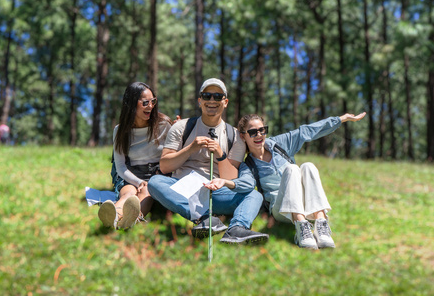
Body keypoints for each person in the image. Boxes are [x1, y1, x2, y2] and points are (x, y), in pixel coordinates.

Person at [148, 78, 269, 245]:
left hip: (216, 192)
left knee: (254, 195)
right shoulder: (181, 127)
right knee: (155, 182)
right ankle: (205, 219)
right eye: (207, 96)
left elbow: (232, 178)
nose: (212, 100)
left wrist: (220, 154)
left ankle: (236, 229)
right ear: (200, 101)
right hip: (184, 189)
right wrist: (190, 148)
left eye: (218, 97)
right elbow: (165, 166)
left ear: (225, 102)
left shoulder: (234, 136)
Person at [234, 112, 366, 249]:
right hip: (281, 210)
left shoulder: (279, 145)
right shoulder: (248, 165)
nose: (259, 135)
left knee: (308, 166)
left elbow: (308, 131)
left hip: (303, 202)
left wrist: (340, 119)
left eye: (262, 130)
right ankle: (301, 228)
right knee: (292, 169)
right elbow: (245, 184)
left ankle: (321, 225)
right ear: (243, 136)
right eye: (253, 132)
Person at [98, 82, 172, 230]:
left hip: (158, 173)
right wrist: (138, 182)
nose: (150, 106)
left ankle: (131, 220)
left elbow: (172, 154)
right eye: (145, 102)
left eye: (153, 101)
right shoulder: (120, 130)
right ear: (132, 104)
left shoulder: (164, 124)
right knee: (128, 193)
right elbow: (120, 166)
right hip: (131, 173)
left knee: (147, 192)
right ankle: (113, 217)